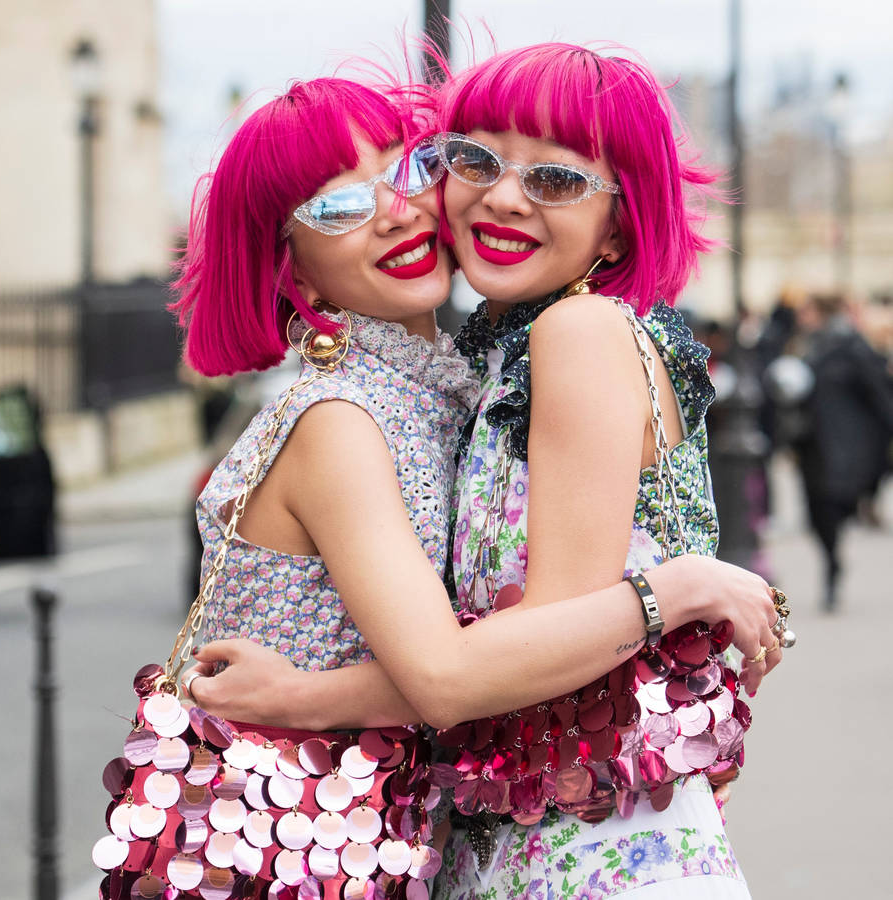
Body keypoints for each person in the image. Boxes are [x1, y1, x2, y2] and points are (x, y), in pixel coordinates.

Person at [179, 57, 783, 900]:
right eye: (473, 160)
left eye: (558, 179)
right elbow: (463, 673)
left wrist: (679, 588)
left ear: (617, 227)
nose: (499, 197)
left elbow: (528, 656)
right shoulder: (380, 405)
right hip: (502, 851)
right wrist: (680, 587)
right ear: (296, 268)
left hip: (587, 863)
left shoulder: (568, 335)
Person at [790, 292, 893, 610]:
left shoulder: (854, 349)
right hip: (812, 444)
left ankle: (833, 565)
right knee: (817, 514)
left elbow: (880, 397)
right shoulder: (806, 347)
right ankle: (833, 558)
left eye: (807, 310)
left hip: (847, 447)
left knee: (834, 505)